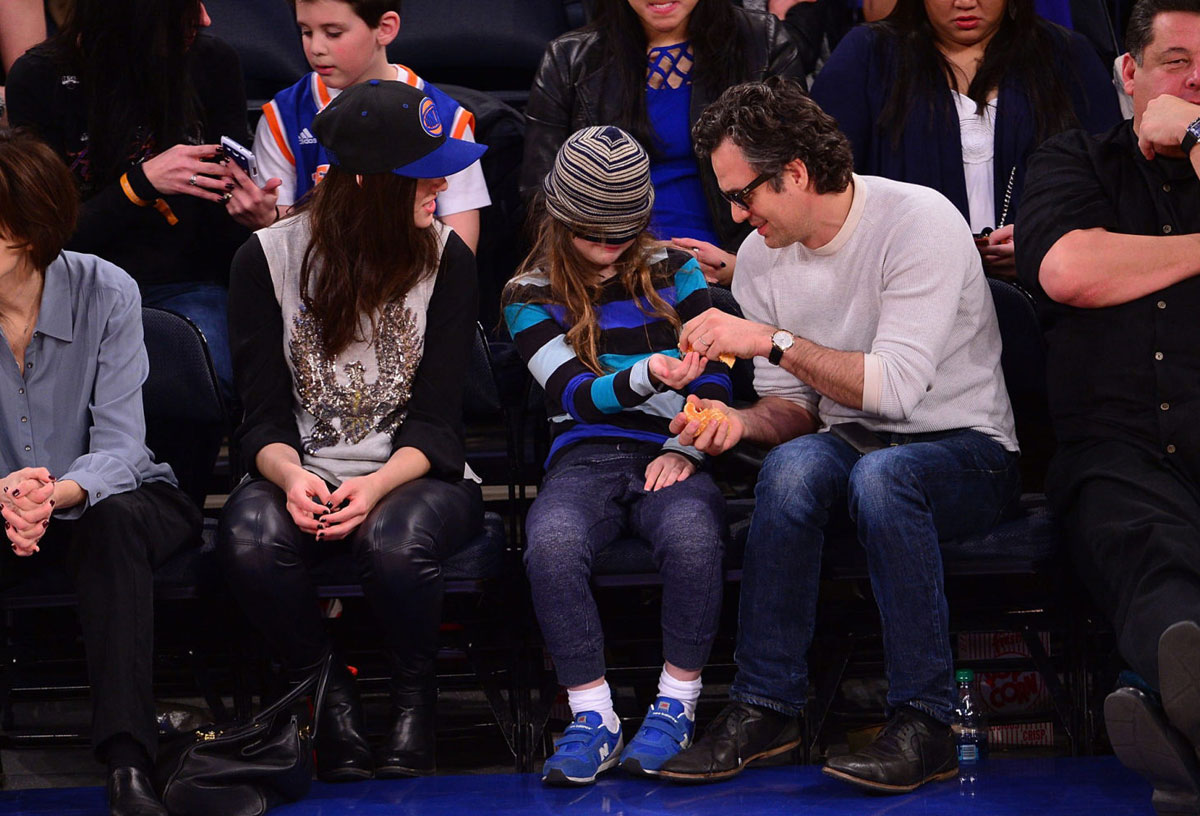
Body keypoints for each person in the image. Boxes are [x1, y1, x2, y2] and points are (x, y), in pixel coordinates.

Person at [654, 78, 1019, 793]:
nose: (735, 213)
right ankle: (767, 706)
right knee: (789, 468)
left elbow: (894, 390)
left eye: (744, 193)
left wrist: (770, 339)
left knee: (884, 478)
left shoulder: (918, 222)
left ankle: (925, 722)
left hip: (968, 447)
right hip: (856, 443)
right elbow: (795, 408)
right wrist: (735, 423)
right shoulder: (762, 257)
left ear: (795, 172)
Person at [219, 79, 486, 784]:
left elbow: (437, 423)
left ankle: (412, 701)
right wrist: (292, 477)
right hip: (299, 466)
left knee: (396, 541)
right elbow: (262, 419)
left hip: (416, 474)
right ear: (368, 183)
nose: (441, 186)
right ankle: (324, 697)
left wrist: (372, 487)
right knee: (248, 535)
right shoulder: (266, 260)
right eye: (424, 175)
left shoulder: (448, 258)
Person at [504, 125, 732, 785]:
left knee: (693, 534)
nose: (608, 250)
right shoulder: (527, 293)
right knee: (549, 541)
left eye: (622, 235)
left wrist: (684, 443)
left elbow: (715, 377)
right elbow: (573, 394)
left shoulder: (676, 269)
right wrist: (649, 376)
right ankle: (592, 715)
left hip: (674, 449)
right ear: (559, 217)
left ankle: (676, 705)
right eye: (592, 234)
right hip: (585, 454)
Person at [1014, 0, 1200, 808]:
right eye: (1177, 61)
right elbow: (1068, 272)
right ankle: (1175, 679)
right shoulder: (1069, 161)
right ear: (1129, 75)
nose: (1198, 82)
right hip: (1115, 450)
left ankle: (1173, 732)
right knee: (1151, 556)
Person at [0, 128, 202, 816]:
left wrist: (52, 493)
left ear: (29, 230)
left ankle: (128, 764)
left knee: (110, 524)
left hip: (123, 496)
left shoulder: (104, 289)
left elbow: (123, 443)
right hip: (8, 506)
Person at [4, 0, 272, 398]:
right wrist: (140, 185)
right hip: (74, 286)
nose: (205, 17)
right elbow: (44, 238)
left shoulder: (212, 62)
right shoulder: (40, 77)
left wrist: (254, 217)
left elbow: (220, 239)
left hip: (187, 284)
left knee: (211, 370)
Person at [809, 0, 1121, 277]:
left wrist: (1043, 243)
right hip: (904, 282)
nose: (965, 3)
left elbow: (1111, 178)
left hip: (1049, 291)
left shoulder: (1067, 55)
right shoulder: (866, 54)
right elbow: (825, 181)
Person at [522, 0, 808, 286]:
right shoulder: (569, 58)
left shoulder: (764, 42)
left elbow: (797, 178)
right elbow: (541, 197)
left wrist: (741, 267)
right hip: (607, 268)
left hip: (735, 268)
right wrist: (617, 258)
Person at [249, 0, 490, 251]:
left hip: (418, 281)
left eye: (334, 33)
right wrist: (267, 219)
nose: (316, 48)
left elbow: (461, 248)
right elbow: (284, 249)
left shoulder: (444, 116)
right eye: (306, 32)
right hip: (319, 282)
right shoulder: (284, 116)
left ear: (385, 28)